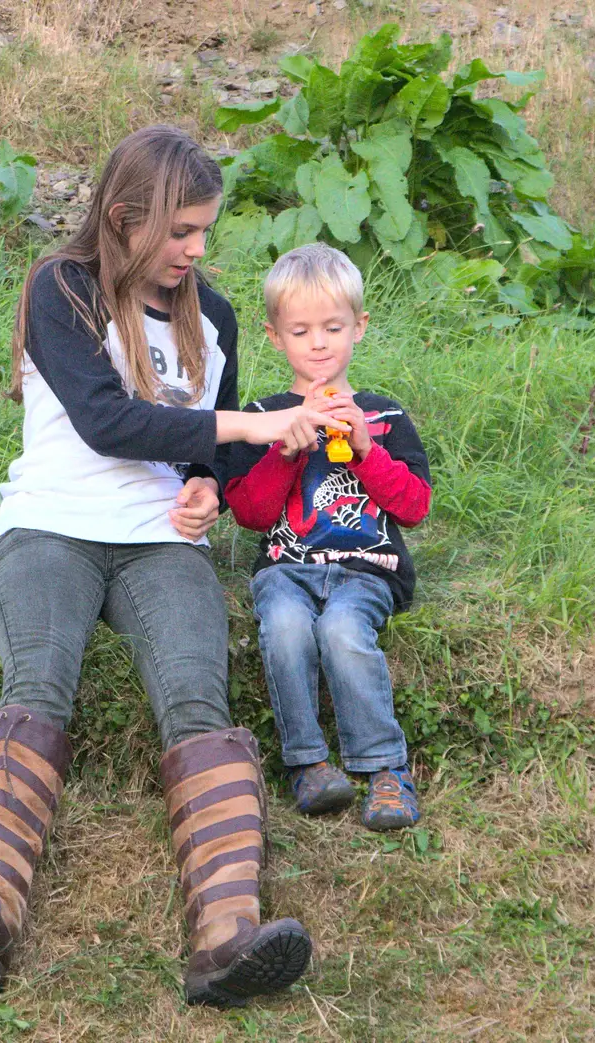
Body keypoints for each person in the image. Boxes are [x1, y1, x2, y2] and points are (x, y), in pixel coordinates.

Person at [0, 127, 341, 1008]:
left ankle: (228, 935)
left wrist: (205, 489)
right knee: (41, 679)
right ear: (124, 218)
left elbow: (207, 448)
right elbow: (110, 423)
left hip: (161, 543)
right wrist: (249, 432)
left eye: (203, 231)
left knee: (198, 699)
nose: (197, 250)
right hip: (51, 526)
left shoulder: (215, 315)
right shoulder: (62, 288)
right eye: (182, 232)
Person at [222, 244, 433, 832]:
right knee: (287, 627)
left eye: (333, 327)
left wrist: (365, 447)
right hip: (287, 566)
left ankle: (385, 767)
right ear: (274, 337)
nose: (318, 343)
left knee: (342, 630)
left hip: (367, 567)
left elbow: (414, 507)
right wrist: (288, 448)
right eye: (301, 330)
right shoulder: (262, 416)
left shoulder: (385, 415)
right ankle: (309, 764)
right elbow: (250, 512)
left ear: (359, 328)